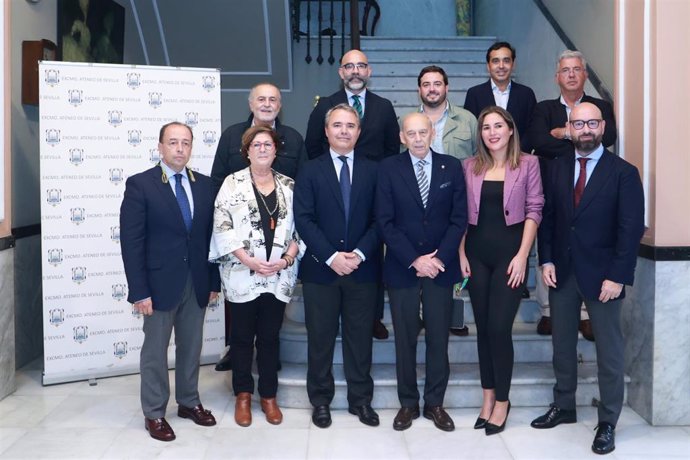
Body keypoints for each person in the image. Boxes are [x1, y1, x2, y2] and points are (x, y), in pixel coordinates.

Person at [530, 102, 644, 455]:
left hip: (603, 278)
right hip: (561, 272)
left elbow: (630, 230)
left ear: (603, 126)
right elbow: (548, 219)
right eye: (578, 124)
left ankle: (608, 420)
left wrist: (618, 276)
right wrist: (545, 259)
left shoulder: (624, 172)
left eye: (592, 123)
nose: (585, 129)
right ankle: (564, 406)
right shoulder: (558, 168)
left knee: (608, 351)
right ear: (569, 127)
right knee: (562, 345)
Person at [120, 122, 220, 442]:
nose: (180, 148)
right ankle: (154, 412)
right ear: (160, 147)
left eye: (185, 143)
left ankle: (189, 402)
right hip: (158, 285)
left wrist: (213, 282)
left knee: (191, 347)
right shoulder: (140, 185)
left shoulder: (205, 185)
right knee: (155, 351)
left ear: (192, 148)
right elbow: (131, 243)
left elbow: (211, 240)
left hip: (197, 282)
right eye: (173, 142)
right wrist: (139, 290)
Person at [376, 113, 467, 432]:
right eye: (411, 133)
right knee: (404, 338)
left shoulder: (452, 167)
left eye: (422, 132)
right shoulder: (388, 169)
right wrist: (415, 259)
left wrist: (439, 258)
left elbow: (460, 219)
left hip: (441, 269)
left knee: (439, 338)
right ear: (402, 136)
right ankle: (408, 404)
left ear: (432, 134)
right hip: (403, 267)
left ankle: (435, 404)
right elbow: (384, 221)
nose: (417, 138)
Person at [294, 104, 382, 429]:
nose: (344, 131)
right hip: (321, 270)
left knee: (361, 338)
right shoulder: (310, 170)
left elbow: (380, 220)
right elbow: (303, 218)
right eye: (337, 125)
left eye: (350, 126)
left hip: (363, 269)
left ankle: (360, 400)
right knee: (321, 338)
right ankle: (320, 401)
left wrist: (358, 253)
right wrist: (332, 256)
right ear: (327, 131)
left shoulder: (375, 170)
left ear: (359, 132)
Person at [209, 125, 303, 427]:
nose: (262, 149)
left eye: (268, 145)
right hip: (242, 272)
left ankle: (268, 396)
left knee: (269, 337)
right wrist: (249, 260)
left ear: (276, 151)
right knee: (241, 338)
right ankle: (243, 395)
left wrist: (286, 259)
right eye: (256, 145)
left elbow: (299, 230)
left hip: (278, 275)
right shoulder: (231, 184)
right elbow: (222, 226)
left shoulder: (289, 185)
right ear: (246, 151)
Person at [210, 83, 307, 372]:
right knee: (240, 326)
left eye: (273, 100)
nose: (267, 104)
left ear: (280, 106)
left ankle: (266, 373)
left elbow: (303, 193)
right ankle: (235, 356)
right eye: (261, 99)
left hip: (280, 245)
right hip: (240, 249)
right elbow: (217, 184)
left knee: (269, 331)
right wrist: (239, 251)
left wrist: (288, 255)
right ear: (251, 104)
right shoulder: (231, 135)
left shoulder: (293, 138)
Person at [459, 106, 544, 435]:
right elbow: (461, 214)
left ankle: (505, 401)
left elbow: (535, 208)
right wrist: (461, 253)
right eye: (485, 127)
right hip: (476, 256)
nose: (492, 132)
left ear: (510, 130)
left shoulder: (528, 164)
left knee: (498, 328)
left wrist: (523, 255)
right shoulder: (470, 166)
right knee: (482, 328)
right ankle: (488, 397)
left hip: (511, 257)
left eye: (498, 126)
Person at [305, 49, 399, 340]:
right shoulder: (325, 105)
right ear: (341, 72)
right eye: (349, 66)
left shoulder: (383, 106)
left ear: (369, 71)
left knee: (373, 257)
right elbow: (312, 145)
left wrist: (379, 183)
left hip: (372, 189)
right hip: (333, 189)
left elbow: (391, 149)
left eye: (361, 66)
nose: (355, 71)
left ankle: (373, 317)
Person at [525, 50, 617, 340]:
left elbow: (609, 137)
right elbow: (537, 142)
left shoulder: (600, 105)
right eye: (566, 70)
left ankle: (587, 315)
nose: (572, 74)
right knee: (549, 241)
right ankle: (548, 311)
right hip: (553, 185)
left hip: (591, 186)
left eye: (577, 69)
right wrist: (578, 139)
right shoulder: (543, 108)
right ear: (557, 77)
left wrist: (563, 134)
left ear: (585, 75)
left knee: (589, 240)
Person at [416, 64, 477, 336]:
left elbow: (479, 157)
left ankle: (453, 315)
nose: (432, 89)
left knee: (455, 257)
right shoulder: (407, 122)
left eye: (437, 83)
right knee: (422, 257)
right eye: (427, 84)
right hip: (419, 205)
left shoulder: (466, 120)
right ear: (419, 89)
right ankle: (421, 313)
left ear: (447, 87)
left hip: (457, 198)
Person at [464, 41, 537, 148]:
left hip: (519, 159)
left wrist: (517, 154)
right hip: (486, 160)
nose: (501, 66)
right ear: (488, 66)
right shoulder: (474, 94)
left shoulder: (526, 94)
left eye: (506, 61)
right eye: (495, 61)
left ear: (513, 64)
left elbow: (532, 130)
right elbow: (471, 130)